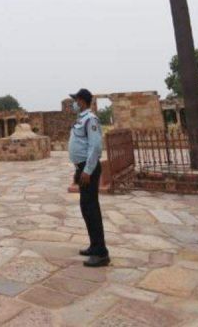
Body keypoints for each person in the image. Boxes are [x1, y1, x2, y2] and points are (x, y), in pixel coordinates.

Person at [68, 88, 110, 267]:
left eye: (75, 100)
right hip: (82, 168)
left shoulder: (90, 120)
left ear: (82, 101)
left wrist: (87, 170)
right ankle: (94, 245)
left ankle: (101, 253)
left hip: (88, 169)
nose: (74, 103)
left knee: (91, 208)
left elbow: (95, 146)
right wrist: (78, 169)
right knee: (86, 208)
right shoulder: (81, 119)